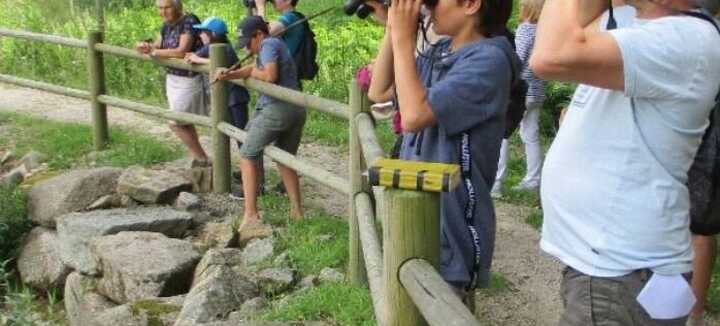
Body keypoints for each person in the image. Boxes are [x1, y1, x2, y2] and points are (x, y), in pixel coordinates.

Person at [531, 0, 720, 324]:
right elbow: (572, 24)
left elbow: (551, 55)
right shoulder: (636, 23)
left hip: (618, 274)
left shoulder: (688, 37)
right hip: (614, 270)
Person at [368, 0, 516, 301]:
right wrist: (392, 28)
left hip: (452, 227)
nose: (429, 6)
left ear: (472, 5)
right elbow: (379, 91)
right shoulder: (440, 51)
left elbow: (413, 116)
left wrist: (403, 36)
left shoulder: (490, 61)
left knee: (442, 309)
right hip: (418, 214)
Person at [217, 16, 306, 230]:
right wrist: (230, 74)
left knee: (247, 154)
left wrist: (252, 72)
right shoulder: (273, 45)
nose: (247, 47)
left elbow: (269, 75)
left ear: (259, 34)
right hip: (295, 109)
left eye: (248, 42)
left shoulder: (268, 44)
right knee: (285, 158)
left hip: (277, 109)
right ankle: (296, 210)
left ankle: (250, 213)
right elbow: (250, 70)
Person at [136, 0, 209, 166]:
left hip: (190, 77)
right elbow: (158, 44)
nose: (163, 12)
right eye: (160, 8)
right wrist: (145, 46)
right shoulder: (166, 25)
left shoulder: (189, 21)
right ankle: (196, 156)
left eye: (167, 7)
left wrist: (154, 52)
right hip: (173, 78)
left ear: (177, 7)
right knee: (183, 121)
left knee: (175, 122)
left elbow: (181, 51)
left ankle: (202, 157)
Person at [492, 0, 546, 198]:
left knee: (501, 134)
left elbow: (517, 59)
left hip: (519, 90)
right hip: (537, 90)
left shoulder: (525, 30)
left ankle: (495, 183)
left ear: (528, 9)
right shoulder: (544, 32)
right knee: (531, 135)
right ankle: (533, 179)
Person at [184, 17, 252, 169]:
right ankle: (243, 172)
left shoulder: (224, 47)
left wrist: (199, 60)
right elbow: (192, 57)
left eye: (203, 32)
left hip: (235, 98)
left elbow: (223, 64)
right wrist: (195, 58)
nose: (200, 34)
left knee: (242, 137)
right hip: (225, 98)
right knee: (224, 133)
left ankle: (254, 177)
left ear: (212, 33)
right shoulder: (210, 47)